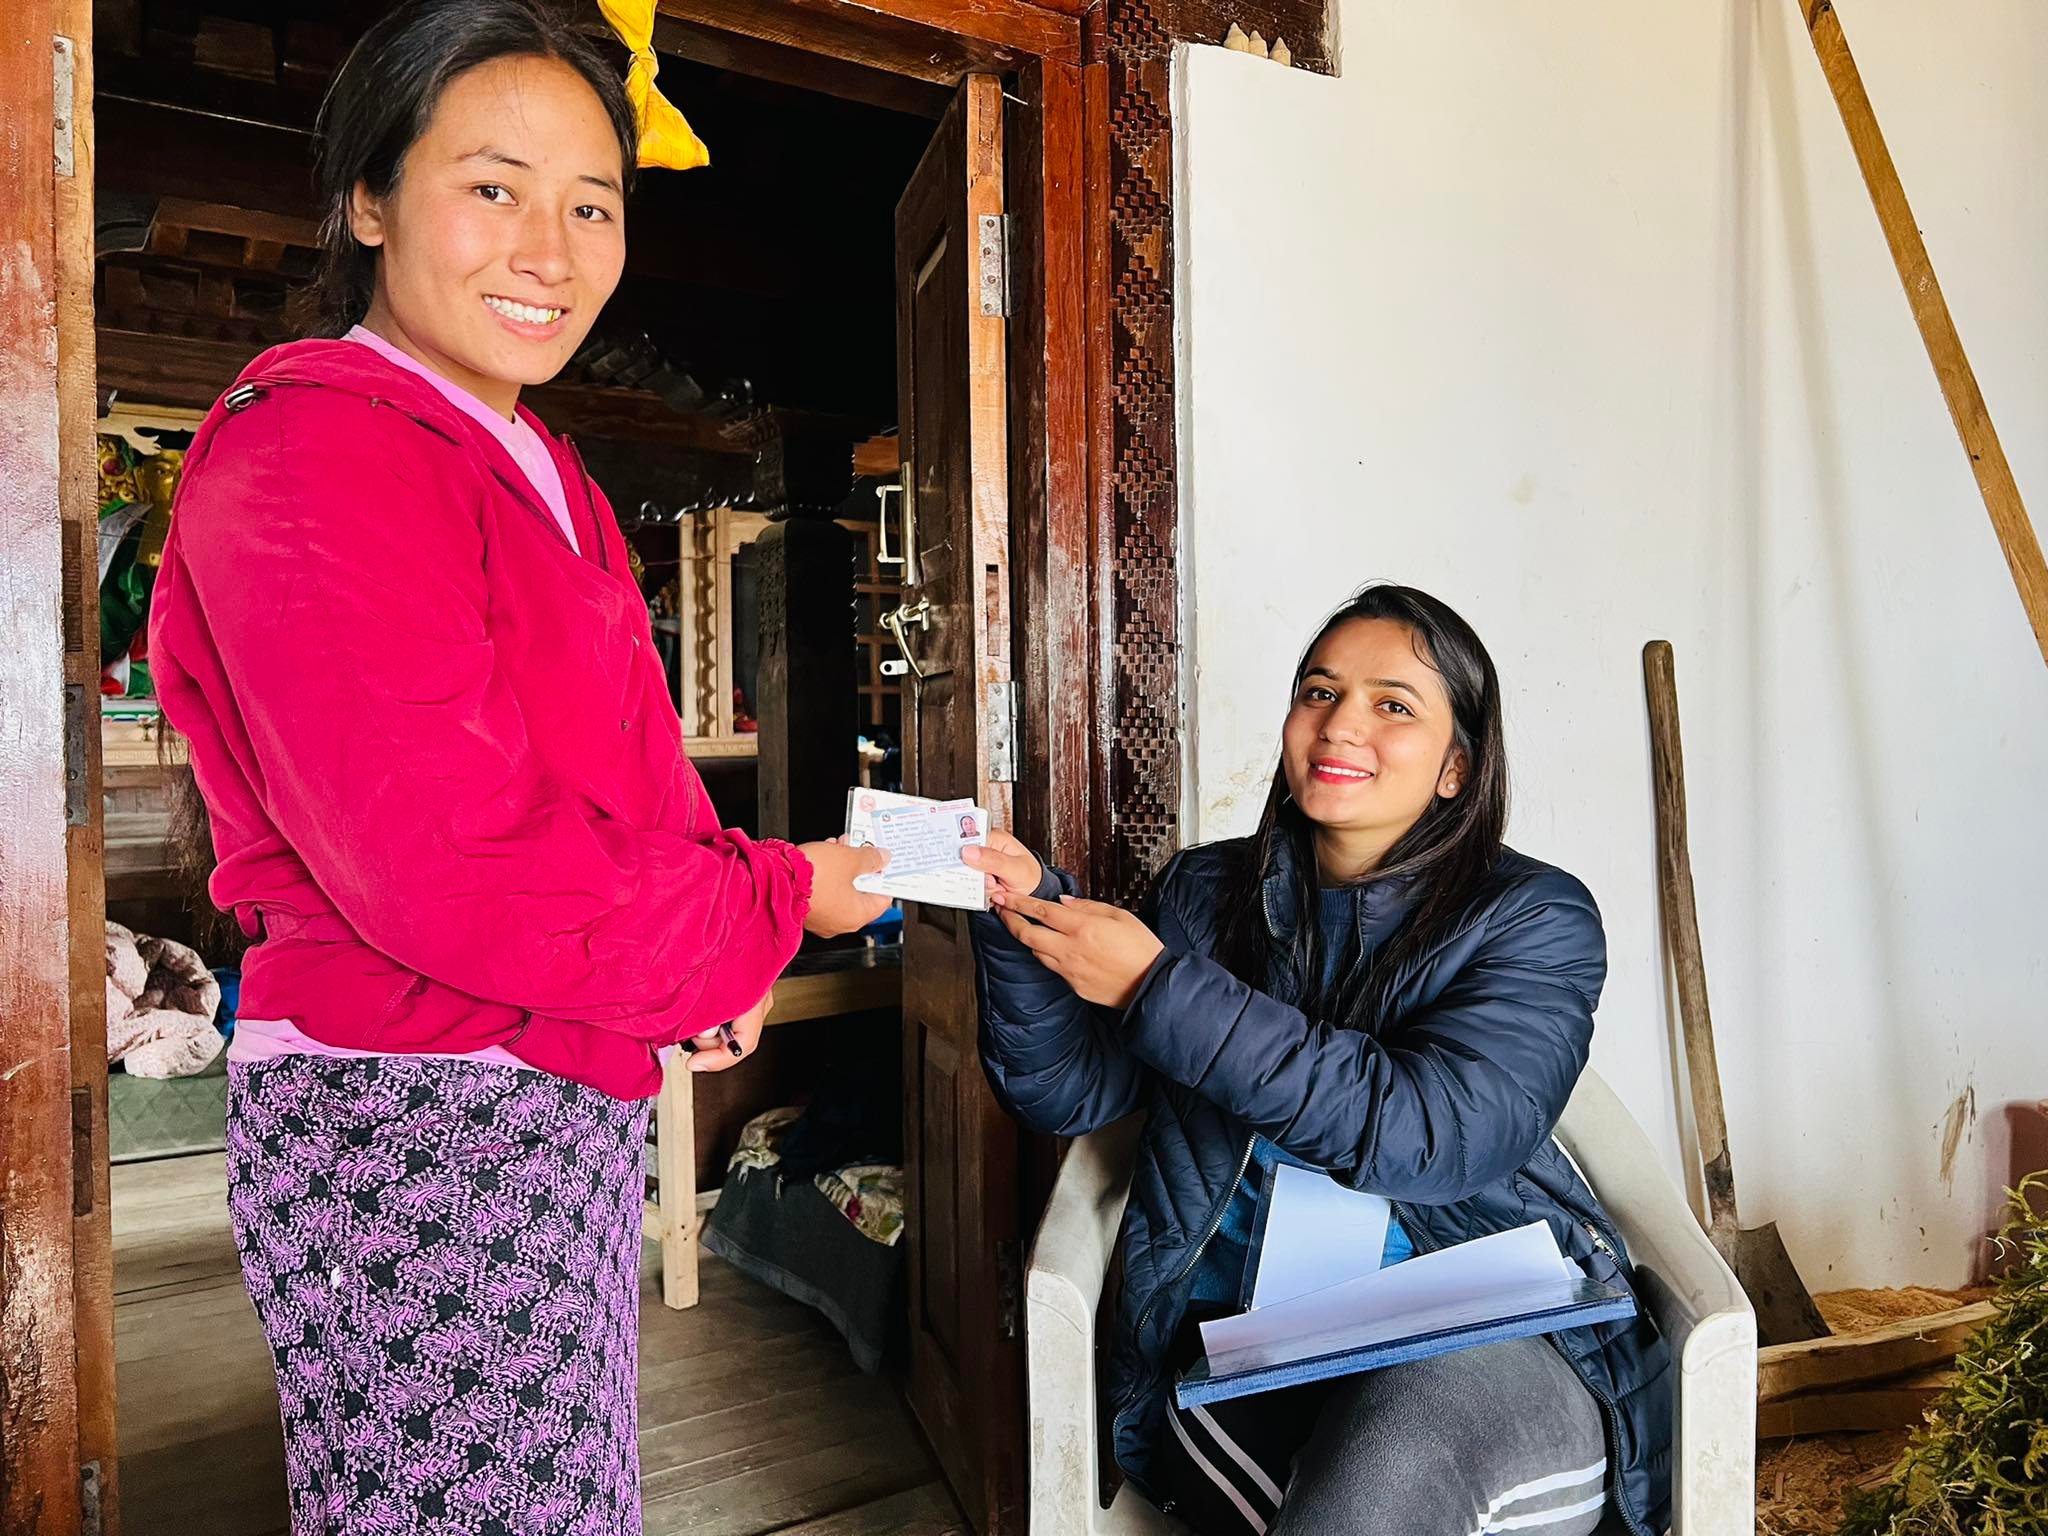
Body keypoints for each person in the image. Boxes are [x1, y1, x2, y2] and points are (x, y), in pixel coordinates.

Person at [146, 3, 888, 1530]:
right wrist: (775, 900)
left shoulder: (545, 468)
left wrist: (709, 959)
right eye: (493, 187)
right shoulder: (311, 450)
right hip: (411, 1110)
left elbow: (630, 779)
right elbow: (453, 860)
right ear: (369, 199)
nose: (549, 250)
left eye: (593, 206)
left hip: (543, 1081)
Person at [964, 584, 1672, 1536]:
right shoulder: (1206, 891)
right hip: (1250, 1342)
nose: (1340, 725)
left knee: (1387, 1476)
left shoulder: (1533, 917)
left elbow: (1433, 1136)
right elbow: (1072, 1093)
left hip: (1480, 1329)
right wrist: (1024, 922)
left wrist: (1159, 989)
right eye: (1320, 692)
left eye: (1394, 705)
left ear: (1456, 768)